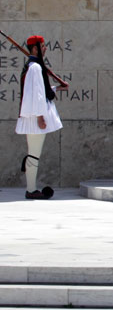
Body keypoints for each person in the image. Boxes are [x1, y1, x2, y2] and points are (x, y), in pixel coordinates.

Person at [16, 35, 62, 199]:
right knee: (34, 154)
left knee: (33, 153)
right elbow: (36, 95)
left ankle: (31, 187)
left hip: (36, 115)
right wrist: (41, 117)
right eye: (42, 46)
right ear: (35, 48)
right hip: (36, 116)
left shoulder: (34, 66)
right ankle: (31, 189)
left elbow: (41, 90)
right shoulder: (35, 67)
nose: (45, 48)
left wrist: (55, 88)